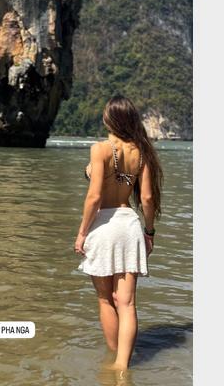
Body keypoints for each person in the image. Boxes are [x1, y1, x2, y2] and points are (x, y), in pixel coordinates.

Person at [74, 94, 164, 370]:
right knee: (126, 303)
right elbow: (147, 198)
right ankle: (122, 366)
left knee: (105, 299)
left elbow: (94, 197)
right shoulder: (141, 152)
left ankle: (113, 360)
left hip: (104, 225)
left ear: (109, 119)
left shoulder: (100, 149)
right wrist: (149, 232)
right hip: (129, 225)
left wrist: (82, 233)